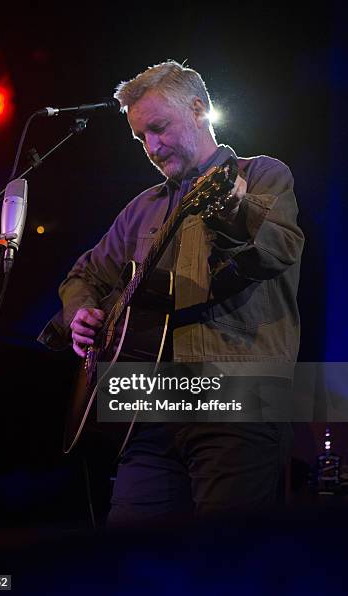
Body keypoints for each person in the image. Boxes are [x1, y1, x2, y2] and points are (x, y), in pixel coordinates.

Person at [39, 61, 304, 527]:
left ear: (199, 109)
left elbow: (278, 247)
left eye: (159, 129)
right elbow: (81, 276)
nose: (152, 147)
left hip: (236, 403)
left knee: (221, 568)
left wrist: (229, 207)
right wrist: (81, 313)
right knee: (132, 568)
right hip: (151, 413)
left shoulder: (262, 174)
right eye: (141, 138)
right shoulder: (141, 208)